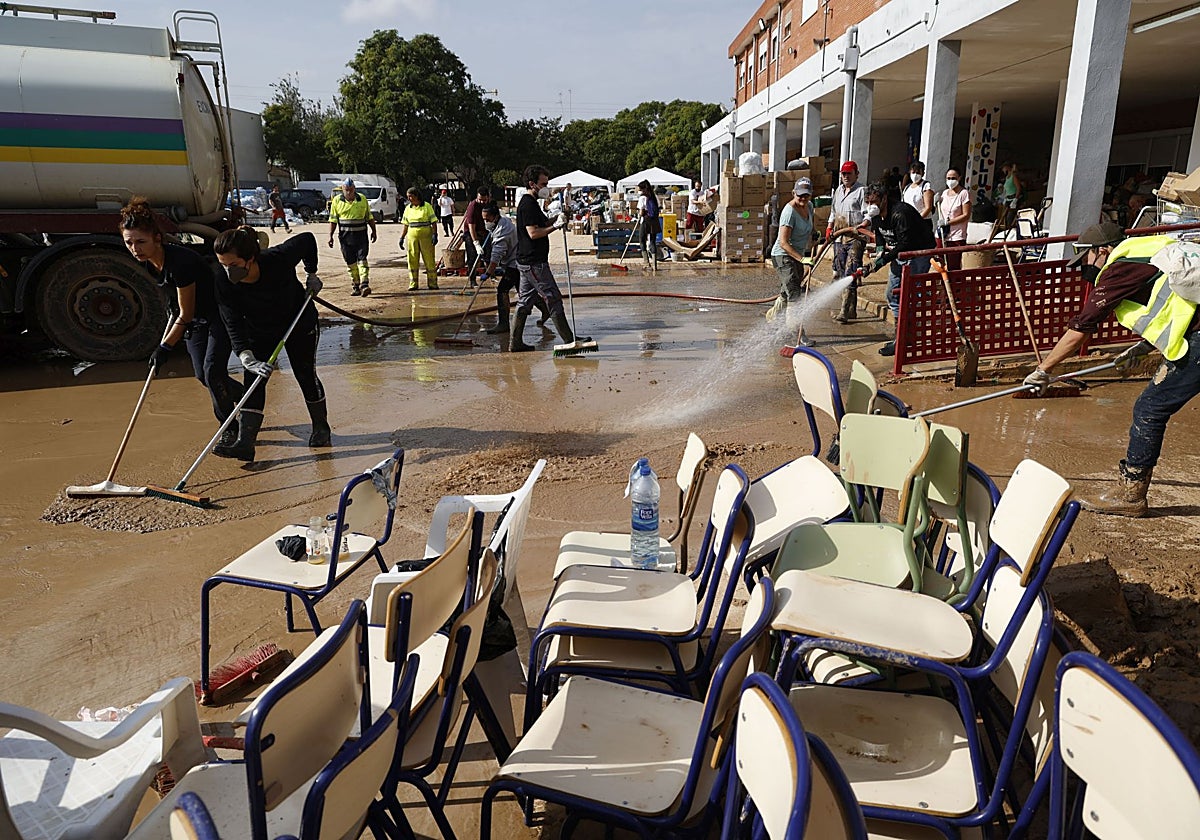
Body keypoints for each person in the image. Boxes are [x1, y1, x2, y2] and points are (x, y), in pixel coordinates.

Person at [1022, 222, 1200, 517]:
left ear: (1102, 251)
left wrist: (1043, 370)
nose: (1086, 268)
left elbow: (1081, 328)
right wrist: (1143, 347)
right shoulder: (1146, 251)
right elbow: (1170, 302)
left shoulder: (1118, 269)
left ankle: (1131, 496)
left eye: (1087, 259)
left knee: (1150, 408)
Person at [119, 198, 242, 448]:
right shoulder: (151, 262)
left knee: (212, 371)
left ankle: (229, 427)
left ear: (157, 238)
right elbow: (178, 306)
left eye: (141, 242)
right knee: (202, 375)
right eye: (129, 242)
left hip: (220, 314)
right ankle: (245, 399)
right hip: (196, 319)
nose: (135, 248)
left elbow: (184, 314)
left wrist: (164, 347)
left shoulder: (180, 264)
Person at [212, 227, 328, 461]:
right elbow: (231, 319)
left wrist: (312, 273)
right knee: (254, 380)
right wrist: (245, 355)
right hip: (260, 330)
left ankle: (321, 428)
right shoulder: (223, 281)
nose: (227, 271)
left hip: (298, 322)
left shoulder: (277, 259)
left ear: (250, 259)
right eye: (223, 265)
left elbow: (307, 239)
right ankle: (245, 443)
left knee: (305, 374)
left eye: (232, 265)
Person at [858, 181, 937, 356]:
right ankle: (901, 337)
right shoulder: (877, 215)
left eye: (874, 202)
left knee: (911, 296)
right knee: (892, 294)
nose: (871, 206)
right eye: (868, 202)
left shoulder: (900, 213)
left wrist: (882, 261)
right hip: (901, 254)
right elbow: (879, 234)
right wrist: (879, 252)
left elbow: (904, 244)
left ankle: (911, 339)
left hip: (918, 253)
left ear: (884, 198)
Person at [511, 164, 579, 352]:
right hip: (533, 262)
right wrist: (556, 226)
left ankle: (515, 343)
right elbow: (533, 233)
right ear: (532, 184)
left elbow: (541, 223)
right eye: (544, 184)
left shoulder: (532, 203)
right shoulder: (527, 204)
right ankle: (569, 340)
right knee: (553, 297)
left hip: (526, 260)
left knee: (525, 301)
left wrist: (558, 218)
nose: (546, 188)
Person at [480, 201, 549, 334]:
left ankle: (503, 324)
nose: (485, 222)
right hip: (518, 260)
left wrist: (488, 273)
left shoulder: (502, 231)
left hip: (515, 263)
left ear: (494, 217)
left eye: (487, 219)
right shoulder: (503, 221)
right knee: (524, 291)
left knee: (502, 290)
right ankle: (545, 309)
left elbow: (496, 256)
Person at [770, 177, 815, 322]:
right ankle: (794, 332)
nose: (803, 198)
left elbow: (810, 227)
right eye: (800, 194)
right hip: (782, 255)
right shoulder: (789, 212)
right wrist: (802, 259)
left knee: (787, 290)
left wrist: (814, 233)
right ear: (793, 193)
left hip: (797, 254)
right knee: (795, 293)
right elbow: (783, 242)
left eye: (806, 195)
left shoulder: (809, 207)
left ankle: (774, 317)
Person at [828, 160, 867, 324]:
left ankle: (844, 310)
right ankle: (852, 310)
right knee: (840, 271)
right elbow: (833, 211)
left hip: (855, 237)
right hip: (839, 236)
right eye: (843, 174)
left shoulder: (861, 191)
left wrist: (864, 225)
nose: (845, 176)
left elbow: (868, 214)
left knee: (850, 272)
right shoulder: (838, 191)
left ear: (856, 174)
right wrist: (829, 227)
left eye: (849, 173)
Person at [327, 178, 376, 297]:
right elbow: (333, 220)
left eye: (351, 190)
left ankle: (365, 284)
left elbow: (369, 217)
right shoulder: (337, 201)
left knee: (362, 260)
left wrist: (374, 231)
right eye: (346, 190)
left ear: (354, 189)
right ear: (342, 190)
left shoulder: (362, 199)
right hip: (345, 238)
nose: (349, 192)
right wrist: (330, 236)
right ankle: (356, 285)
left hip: (361, 236)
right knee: (351, 262)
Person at [399, 187, 439, 291]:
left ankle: (432, 282)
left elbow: (433, 221)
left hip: (426, 236)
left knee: (429, 259)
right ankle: (413, 283)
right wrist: (402, 237)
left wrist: (435, 234)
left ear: (416, 195)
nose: (409, 198)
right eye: (408, 197)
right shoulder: (408, 208)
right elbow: (405, 225)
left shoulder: (427, 206)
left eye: (411, 196)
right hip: (412, 237)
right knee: (412, 259)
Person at [937, 168, 972, 271]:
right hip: (943, 233)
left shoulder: (964, 193)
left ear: (959, 178)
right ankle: (942, 285)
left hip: (956, 235)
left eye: (953, 178)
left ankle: (954, 285)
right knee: (940, 262)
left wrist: (948, 222)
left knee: (953, 265)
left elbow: (966, 215)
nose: (950, 180)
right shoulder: (944, 193)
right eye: (948, 178)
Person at [463, 186, 491, 286]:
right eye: (480, 200)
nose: (482, 202)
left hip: (485, 232)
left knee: (489, 254)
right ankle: (472, 280)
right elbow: (471, 227)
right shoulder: (472, 207)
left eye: (484, 200)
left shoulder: (489, 204)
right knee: (473, 257)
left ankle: (491, 275)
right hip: (471, 233)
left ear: (488, 197)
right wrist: (476, 243)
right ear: (477, 197)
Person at [635, 179, 661, 269]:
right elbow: (659, 207)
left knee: (642, 240)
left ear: (643, 189)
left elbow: (641, 212)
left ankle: (646, 262)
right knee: (653, 242)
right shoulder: (655, 196)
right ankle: (655, 264)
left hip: (645, 221)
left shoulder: (642, 198)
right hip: (655, 221)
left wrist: (639, 213)